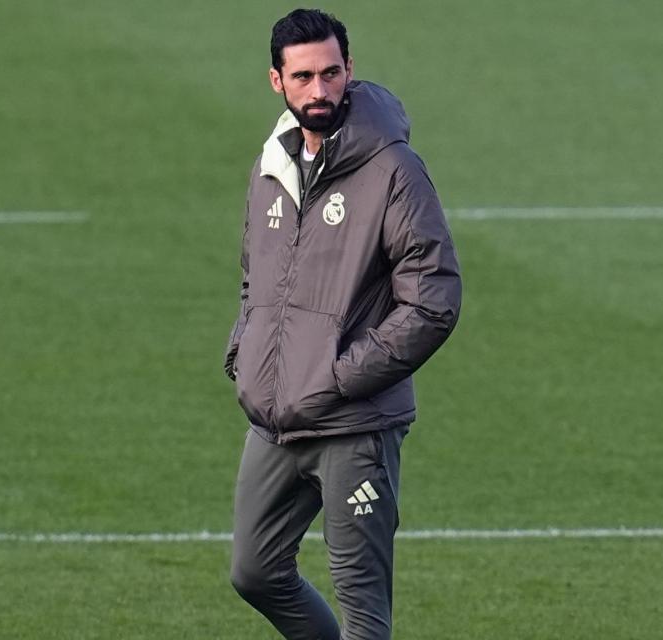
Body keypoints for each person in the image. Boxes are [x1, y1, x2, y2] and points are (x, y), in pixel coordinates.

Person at [223, 8, 462, 639]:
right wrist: (245, 353)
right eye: (303, 77)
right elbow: (255, 279)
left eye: (331, 73)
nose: (319, 90)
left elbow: (434, 299)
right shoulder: (272, 169)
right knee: (255, 572)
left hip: (354, 423)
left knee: (363, 609)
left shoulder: (393, 170)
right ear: (277, 80)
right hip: (276, 417)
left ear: (349, 69)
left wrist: (342, 376)